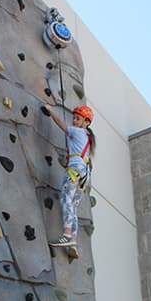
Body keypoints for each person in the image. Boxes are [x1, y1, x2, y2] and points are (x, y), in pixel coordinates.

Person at [44, 104, 96, 256]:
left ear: (86, 122)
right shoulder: (87, 137)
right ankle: (73, 239)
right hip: (84, 174)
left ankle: (67, 234)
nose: (74, 120)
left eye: (78, 118)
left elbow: (62, 125)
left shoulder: (78, 131)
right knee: (73, 205)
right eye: (74, 118)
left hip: (74, 169)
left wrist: (51, 111)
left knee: (66, 199)